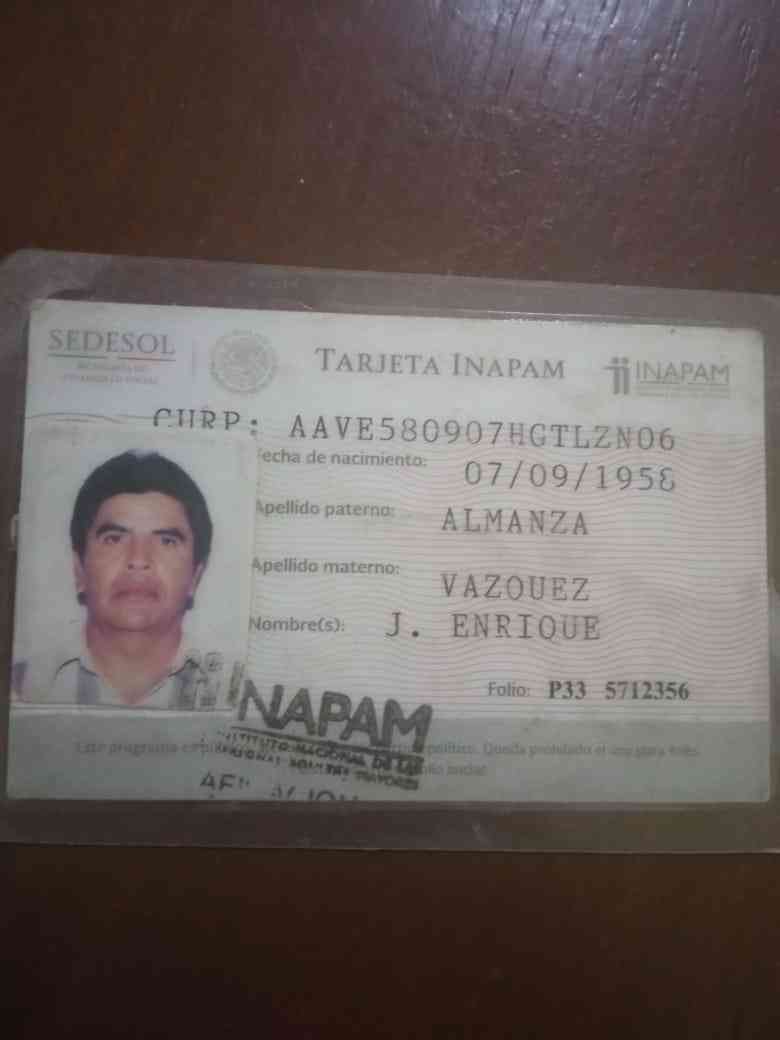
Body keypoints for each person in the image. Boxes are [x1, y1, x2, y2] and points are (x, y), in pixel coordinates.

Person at [13, 450, 225, 709]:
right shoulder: (19, 689)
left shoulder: (232, 691)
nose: (138, 560)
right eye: (114, 539)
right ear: (79, 569)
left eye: (166, 541)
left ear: (195, 576)